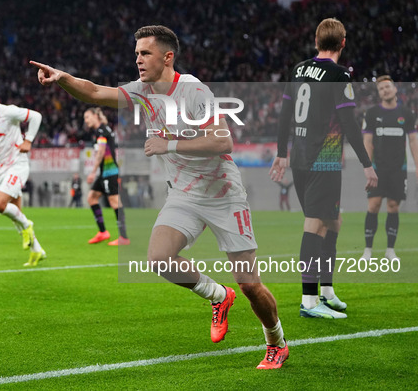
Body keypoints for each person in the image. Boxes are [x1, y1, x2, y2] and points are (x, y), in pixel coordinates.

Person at [31, 25, 288, 369]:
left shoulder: (194, 90)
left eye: (145, 53)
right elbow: (94, 92)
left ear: (167, 57)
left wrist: (170, 144)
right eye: (136, 53)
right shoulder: (142, 91)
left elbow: (223, 142)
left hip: (223, 195)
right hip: (183, 196)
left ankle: (277, 342)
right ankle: (217, 295)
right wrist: (61, 76)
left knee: (249, 284)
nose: (137, 59)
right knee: (159, 258)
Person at [270, 18, 378, 319]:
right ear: (343, 43)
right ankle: (308, 300)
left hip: (301, 157)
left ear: (317, 41)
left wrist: (282, 154)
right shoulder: (339, 74)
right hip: (324, 158)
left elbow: (284, 115)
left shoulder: (298, 69)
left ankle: (327, 290)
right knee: (316, 222)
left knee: (333, 221)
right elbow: (349, 123)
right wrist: (367, 165)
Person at [0, 81, 46, 267]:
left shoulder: (8, 112)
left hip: (17, 165)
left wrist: (28, 141)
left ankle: (29, 225)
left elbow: (36, 116)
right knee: (15, 216)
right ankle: (37, 251)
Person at [361, 76, 418, 262]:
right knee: (373, 205)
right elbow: (367, 142)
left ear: (395, 89)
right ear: (379, 94)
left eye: (387, 87)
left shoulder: (407, 114)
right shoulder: (371, 114)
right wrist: (367, 166)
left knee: (393, 207)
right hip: (378, 169)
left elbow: (413, 141)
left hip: (398, 170)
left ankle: (390, 250)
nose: (385, 90)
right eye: (381, 89)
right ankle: (367, 250)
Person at [83, 107, 130, 246]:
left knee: (115, 202)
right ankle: (103, 232)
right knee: (91, 197)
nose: (86, 121)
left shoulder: (102, 131)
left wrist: (93, 171)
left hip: (110, 172)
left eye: (87, 117)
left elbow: (101, 151)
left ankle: (124, 237)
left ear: (95, 116)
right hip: (105, 172)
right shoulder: (101, 131)